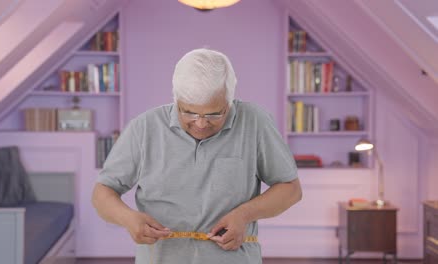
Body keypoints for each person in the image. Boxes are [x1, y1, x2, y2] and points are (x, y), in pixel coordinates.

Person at [92, 48, 302, 264]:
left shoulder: (254, 122)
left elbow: (291, 189)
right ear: (176, 99)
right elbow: (102, 192)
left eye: (214, 114)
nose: (201, 124)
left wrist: (244, 215)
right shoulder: (144, 128)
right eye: (189, 112)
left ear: (229, 101)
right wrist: (128, 219)